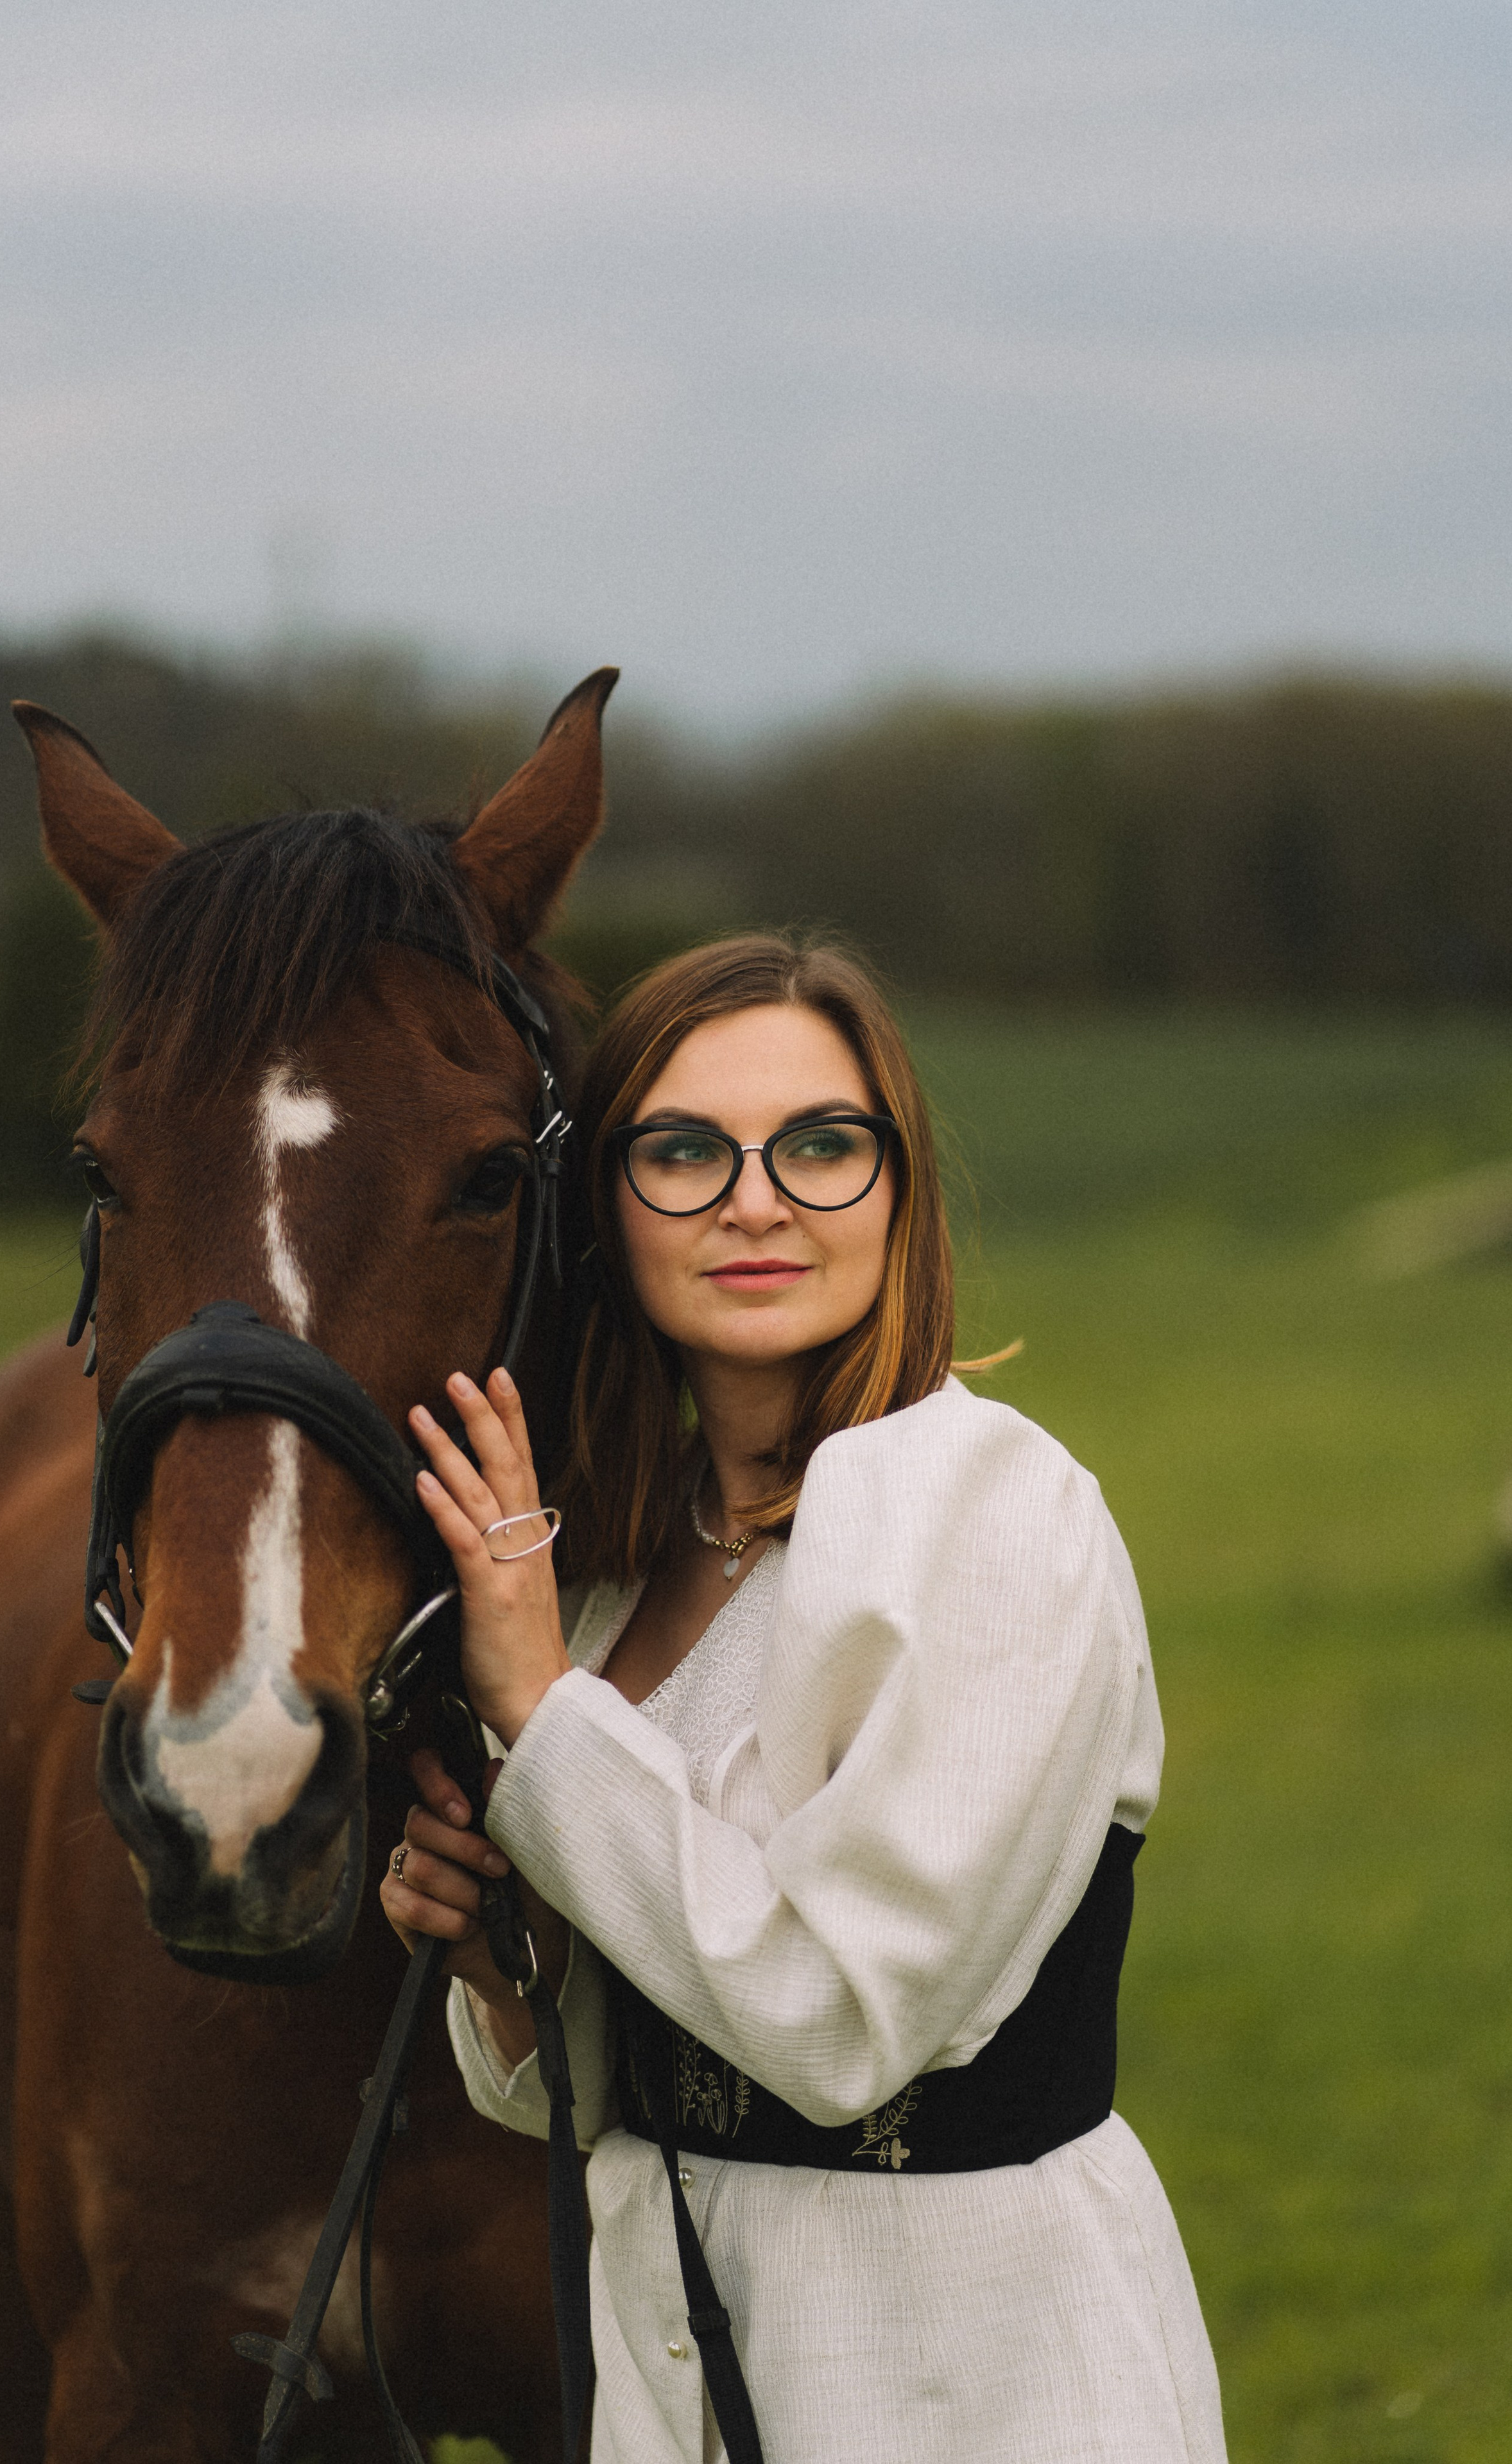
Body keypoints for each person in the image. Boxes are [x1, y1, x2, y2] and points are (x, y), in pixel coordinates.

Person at [381, 934, 1226, 2464]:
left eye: (821, 1147)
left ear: (893, 1188)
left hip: (965, 2380)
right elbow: (606, 2086)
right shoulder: (609, 1575)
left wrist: (536, 1707)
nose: (755, 1201)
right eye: (684, 1151)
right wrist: (509, 1958)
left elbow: (840, 2023)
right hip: (675, 2370)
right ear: (606, 1206)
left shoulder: (989, 1508)